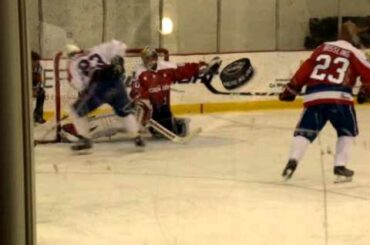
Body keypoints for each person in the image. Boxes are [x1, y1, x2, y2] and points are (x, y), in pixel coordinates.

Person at [279, 37, 370, 181]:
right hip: (340, 99)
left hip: (314, 98)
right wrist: (365, 92)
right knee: (346, 132)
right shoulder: (355, 52)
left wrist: (290, 90)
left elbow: (304, 70)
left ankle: (293, 160)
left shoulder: (322, 47)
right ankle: (340, 166)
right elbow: (368, 74)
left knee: (305, 132)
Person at [66, 40, 145, 151]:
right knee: (124, 112)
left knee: (76, 110)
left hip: (98, 87)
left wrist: (84, 91)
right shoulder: (95, 49)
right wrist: (117, 60)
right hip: (116, 82)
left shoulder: (72, 63)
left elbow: (76, 82)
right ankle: (136, 137)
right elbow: (119, 45)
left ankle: (85, 140)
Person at [130, 46, 211, 138]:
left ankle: (177, 124)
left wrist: (199, 67)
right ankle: (159, 125)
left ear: (156, 57)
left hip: (164, 106)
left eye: (151, 57)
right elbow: (136, 91)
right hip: (150, 107)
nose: (149, 60)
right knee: (146, 116)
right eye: (146, 58)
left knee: (165, 124)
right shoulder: (139, 72)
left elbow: (183, 69)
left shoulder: (166, 66)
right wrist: (144, 101)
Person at [32, 51, 46, 124]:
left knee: (42, 93)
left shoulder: (38, 66)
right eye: (35, 61)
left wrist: (35, 89)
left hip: (33, 87)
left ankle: (38, 115)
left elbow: (38, 80)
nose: (37, 63)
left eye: (38, 61)